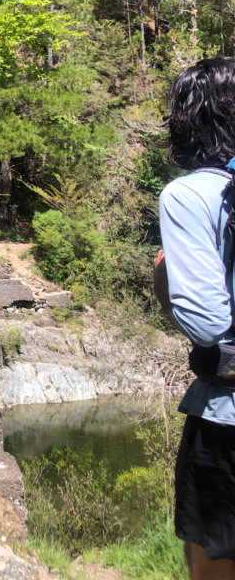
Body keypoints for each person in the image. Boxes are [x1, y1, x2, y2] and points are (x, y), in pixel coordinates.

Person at [153, 56, 235, 580]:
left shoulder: (189, 195)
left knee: (212, 554)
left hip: (225, 418)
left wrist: (163, 286)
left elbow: (207, 324)